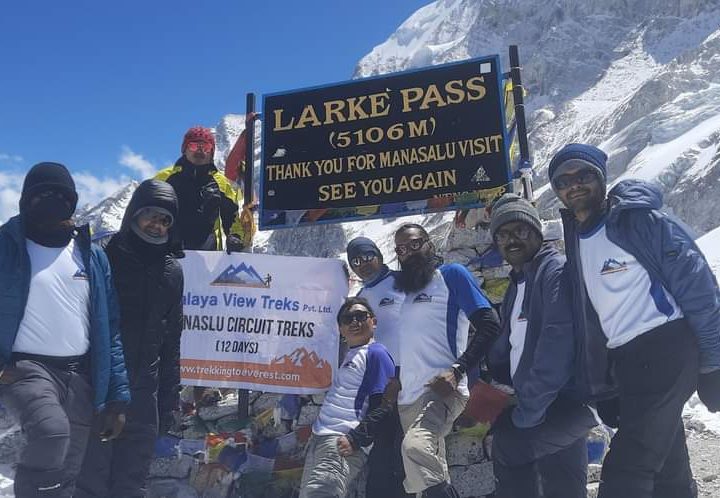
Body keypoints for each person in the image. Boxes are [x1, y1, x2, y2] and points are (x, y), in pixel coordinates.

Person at [550, 143, 720, 498]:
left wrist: (713, 364)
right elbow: (598, 320)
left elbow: (699, 288)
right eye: (563, 180)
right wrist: (606, 385)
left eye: (584, 175)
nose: (574, 185)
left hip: (666, 348)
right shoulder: (579, 238)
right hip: (629, 361)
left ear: (601, 178)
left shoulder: (638, 220)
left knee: (627, 469)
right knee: (667, 468)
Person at [0, 162, 130, 497]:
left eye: (60, 195)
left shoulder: (91, 256)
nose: (51, 201)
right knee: (51, 433)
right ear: (25, 201)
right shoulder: (7, 246)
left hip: (80, 373)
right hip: (27, 368)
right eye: (41, 195)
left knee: (70, 464)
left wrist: (116, 398)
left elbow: (110, 328)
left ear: (72, 201)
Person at [76, 179, 184, 497]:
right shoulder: (106, 257)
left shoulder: (172, 272)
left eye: (166, 219)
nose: (157, 224)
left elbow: (171, 342)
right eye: (151, 214)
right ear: (134, 213)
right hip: (99, 389)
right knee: (90, 483)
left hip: (145, 396)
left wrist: (168, 403)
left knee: (132, 484)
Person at [486, 194, 596, 498]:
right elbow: (511, 345)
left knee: (508, 447)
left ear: (536, 232)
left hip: (569, 400)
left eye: (520, 231)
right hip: (548, 401)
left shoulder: (553, 271)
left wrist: (527, 413)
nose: (512, 240)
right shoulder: (518, 282)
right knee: (563, 480)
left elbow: (556, 344)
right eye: (503, 235)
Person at [390, 223, 500, 498]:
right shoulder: (405, 293)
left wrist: (457, 370)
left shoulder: (450, 275)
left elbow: (489, 324)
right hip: (408, 399)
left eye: (415, 244)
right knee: (424, 480)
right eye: (401, 249)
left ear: (429, 244)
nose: (409, 252)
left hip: (440, 390)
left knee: (415, 448)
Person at [299, 297, 395, 498]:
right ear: (340, 328)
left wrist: (357, 438)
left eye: (361, 316)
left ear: (374, 322)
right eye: (347, 318)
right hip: (321, 438)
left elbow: (386, 404)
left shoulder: (376, 353)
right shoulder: (350, 355)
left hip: (341, 440)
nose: (354, 322)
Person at [346, 237, 410, 498]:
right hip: (380, 384)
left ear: (379, 255)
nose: (363, 265)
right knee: (382, 449)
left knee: (412, 446)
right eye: (356, 262)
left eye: (367, 256)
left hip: (411, 376)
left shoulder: (404, 280)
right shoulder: (361, 298)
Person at [155, 125, 249, 252]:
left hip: (208, 260)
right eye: (194, 146)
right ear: (185, 149)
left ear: (212, 152)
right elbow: (146, 213)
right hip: (167, 255)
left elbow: (232, 217)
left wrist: (235, 237)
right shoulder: (164, 178)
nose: (200, 151)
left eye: (206, 147)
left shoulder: (221, 183)